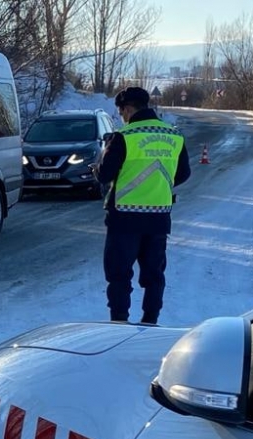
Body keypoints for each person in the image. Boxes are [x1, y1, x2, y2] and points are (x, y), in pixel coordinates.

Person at [94, 86, 191, 324]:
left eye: (121, 112)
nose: (121, 117)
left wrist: (96, 168)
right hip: (158, 218)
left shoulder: (123, 136)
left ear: (127, 108)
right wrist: (159, 186)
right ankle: (150, 320)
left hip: (124, 218)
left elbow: (105, 175)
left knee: (119, 274)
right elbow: (184, 173)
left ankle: (119, 321)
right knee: (154, 274)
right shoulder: (174, 135)